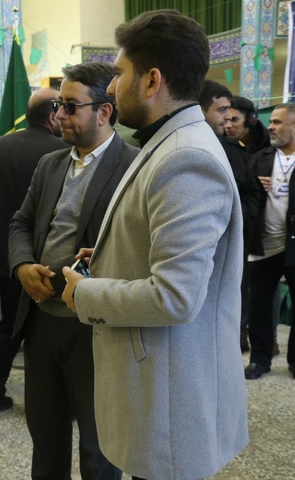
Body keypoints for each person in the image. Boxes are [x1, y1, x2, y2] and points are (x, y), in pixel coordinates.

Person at [61, 10, 248, 480]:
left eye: (119, 73)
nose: (111, 87)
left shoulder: (185, 157)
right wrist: (110, 256)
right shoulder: (171, 142)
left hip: (170, 404)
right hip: (159, 391)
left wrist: (85, 293)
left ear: (151, 80)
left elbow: (175, 296)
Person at [9, 62, 134, 480]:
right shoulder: (50, 164)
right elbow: (21, 223)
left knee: (99, 447)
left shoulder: (133, 167)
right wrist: (22, 265)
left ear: (104, 111)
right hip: (42, 321)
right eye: (58, 106)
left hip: (95, 327)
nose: (59, 115)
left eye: (70, 106)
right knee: (46, 437)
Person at [0, 88, 68, 413]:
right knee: (50, 332)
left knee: (10, 325)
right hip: (49, 260)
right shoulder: (63, 151)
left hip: (7, 259)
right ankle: (53, 403)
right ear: (53, 116)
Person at [198, 80, 267, 353]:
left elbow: (250, 195)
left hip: (225, 244)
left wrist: (232, 220)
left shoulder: (230, 149)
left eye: (230, 111)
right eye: (221, 110)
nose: (227, 118)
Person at [244, 103, 295, 379]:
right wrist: (254, 184)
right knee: (259, 307)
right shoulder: (259, 158)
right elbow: (244, 193)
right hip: (262, 245)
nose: (270, 127)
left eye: (277, 122)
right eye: (271, 122)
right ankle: (259, 360)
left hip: (292, 245)